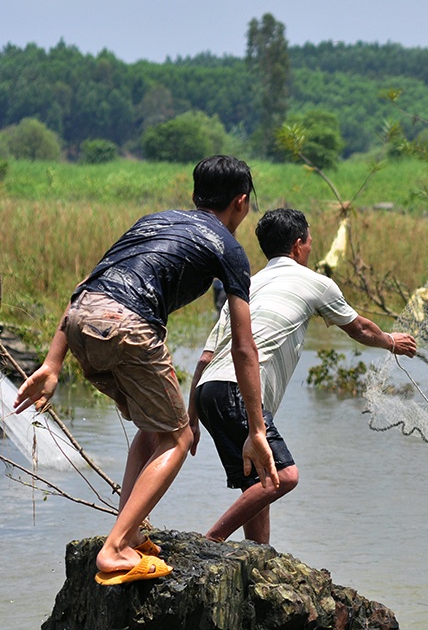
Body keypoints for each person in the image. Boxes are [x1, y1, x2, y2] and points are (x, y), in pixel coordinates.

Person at [13, 155, 277, 585]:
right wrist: (257, 430)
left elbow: (89, 284)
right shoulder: (229, 249)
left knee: (154, 430)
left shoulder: (152, 220)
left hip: (81, 321)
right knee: (179, 436)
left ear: (194, 196)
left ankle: (127, 532)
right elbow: (245, 348)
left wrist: (52, 362)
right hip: (128, 326)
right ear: (242, 203)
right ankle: (115, 548)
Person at [189, 208, 417, 544]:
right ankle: (210, 542)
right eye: (309, 242)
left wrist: (192, 419)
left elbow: (206, 357)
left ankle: (257, 555)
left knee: (259, 479)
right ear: (298, 246)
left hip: (208, 391)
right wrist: (390, 341)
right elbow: (360, 328)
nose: (310, 248)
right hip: (237, 389)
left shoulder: (245, 286)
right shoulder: (315, 283)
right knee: (284, 475)